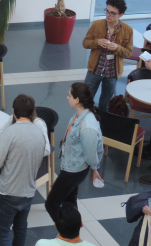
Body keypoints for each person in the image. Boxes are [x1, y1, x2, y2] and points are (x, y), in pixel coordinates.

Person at [0, 94, 47, 246]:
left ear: (13, 111)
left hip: (8, 192)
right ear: (32, 111)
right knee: (20, 229)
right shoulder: (39, 133)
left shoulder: (9, 133)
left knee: (3, 232)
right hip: (28, 192)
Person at [45, 83, 104, 223]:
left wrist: (94, 169)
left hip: (73, 171)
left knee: (51, 204)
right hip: (72, 166)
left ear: (77, 100)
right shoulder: (79, 116)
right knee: (70, 203)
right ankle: (74, 227)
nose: (67, 97)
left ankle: (67, 231)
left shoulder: (87, 126)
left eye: (69, 95)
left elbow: (91, 152)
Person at [82, 0, 133, 112]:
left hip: (112, 73)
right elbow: (85, 43)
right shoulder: (97, 25)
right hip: (95, 70)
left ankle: (102, 120)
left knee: (104, 105)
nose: (108, 15)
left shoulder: (128, 30)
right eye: (107, 11)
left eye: (113, 13)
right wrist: (97, 42)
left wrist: (117, 48)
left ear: (121, 15)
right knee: (85, 101)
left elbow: (128, 52)